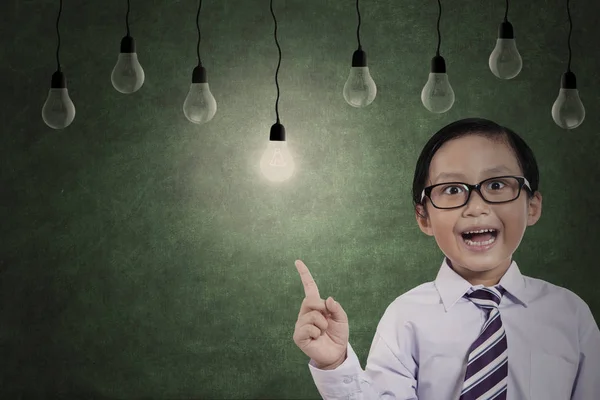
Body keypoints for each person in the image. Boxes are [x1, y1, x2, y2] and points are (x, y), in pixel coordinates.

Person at [292, 118, 600, 400]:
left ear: (532, 206)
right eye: (452, 189)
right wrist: (334, 364)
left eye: (496, 185)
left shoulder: (570, 315)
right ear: (423, 217)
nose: (477, 207)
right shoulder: (405, 317)